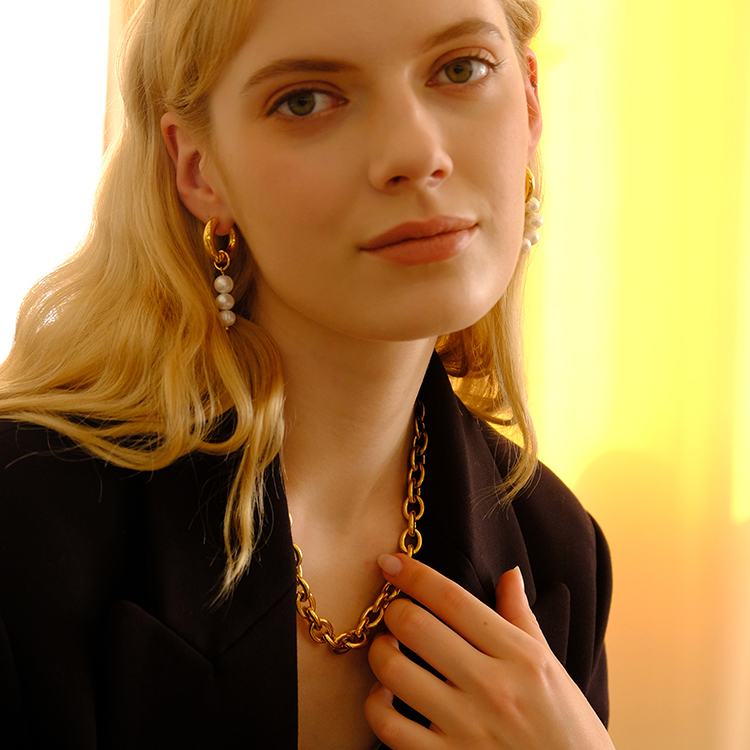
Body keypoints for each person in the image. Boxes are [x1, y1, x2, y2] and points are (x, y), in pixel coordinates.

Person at [0, 0, 615, 748]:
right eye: (306, 101)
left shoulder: (559, 548)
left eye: (461, 68)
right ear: (199, 169)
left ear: (529, 100)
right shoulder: (22, 514)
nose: (416, 153)